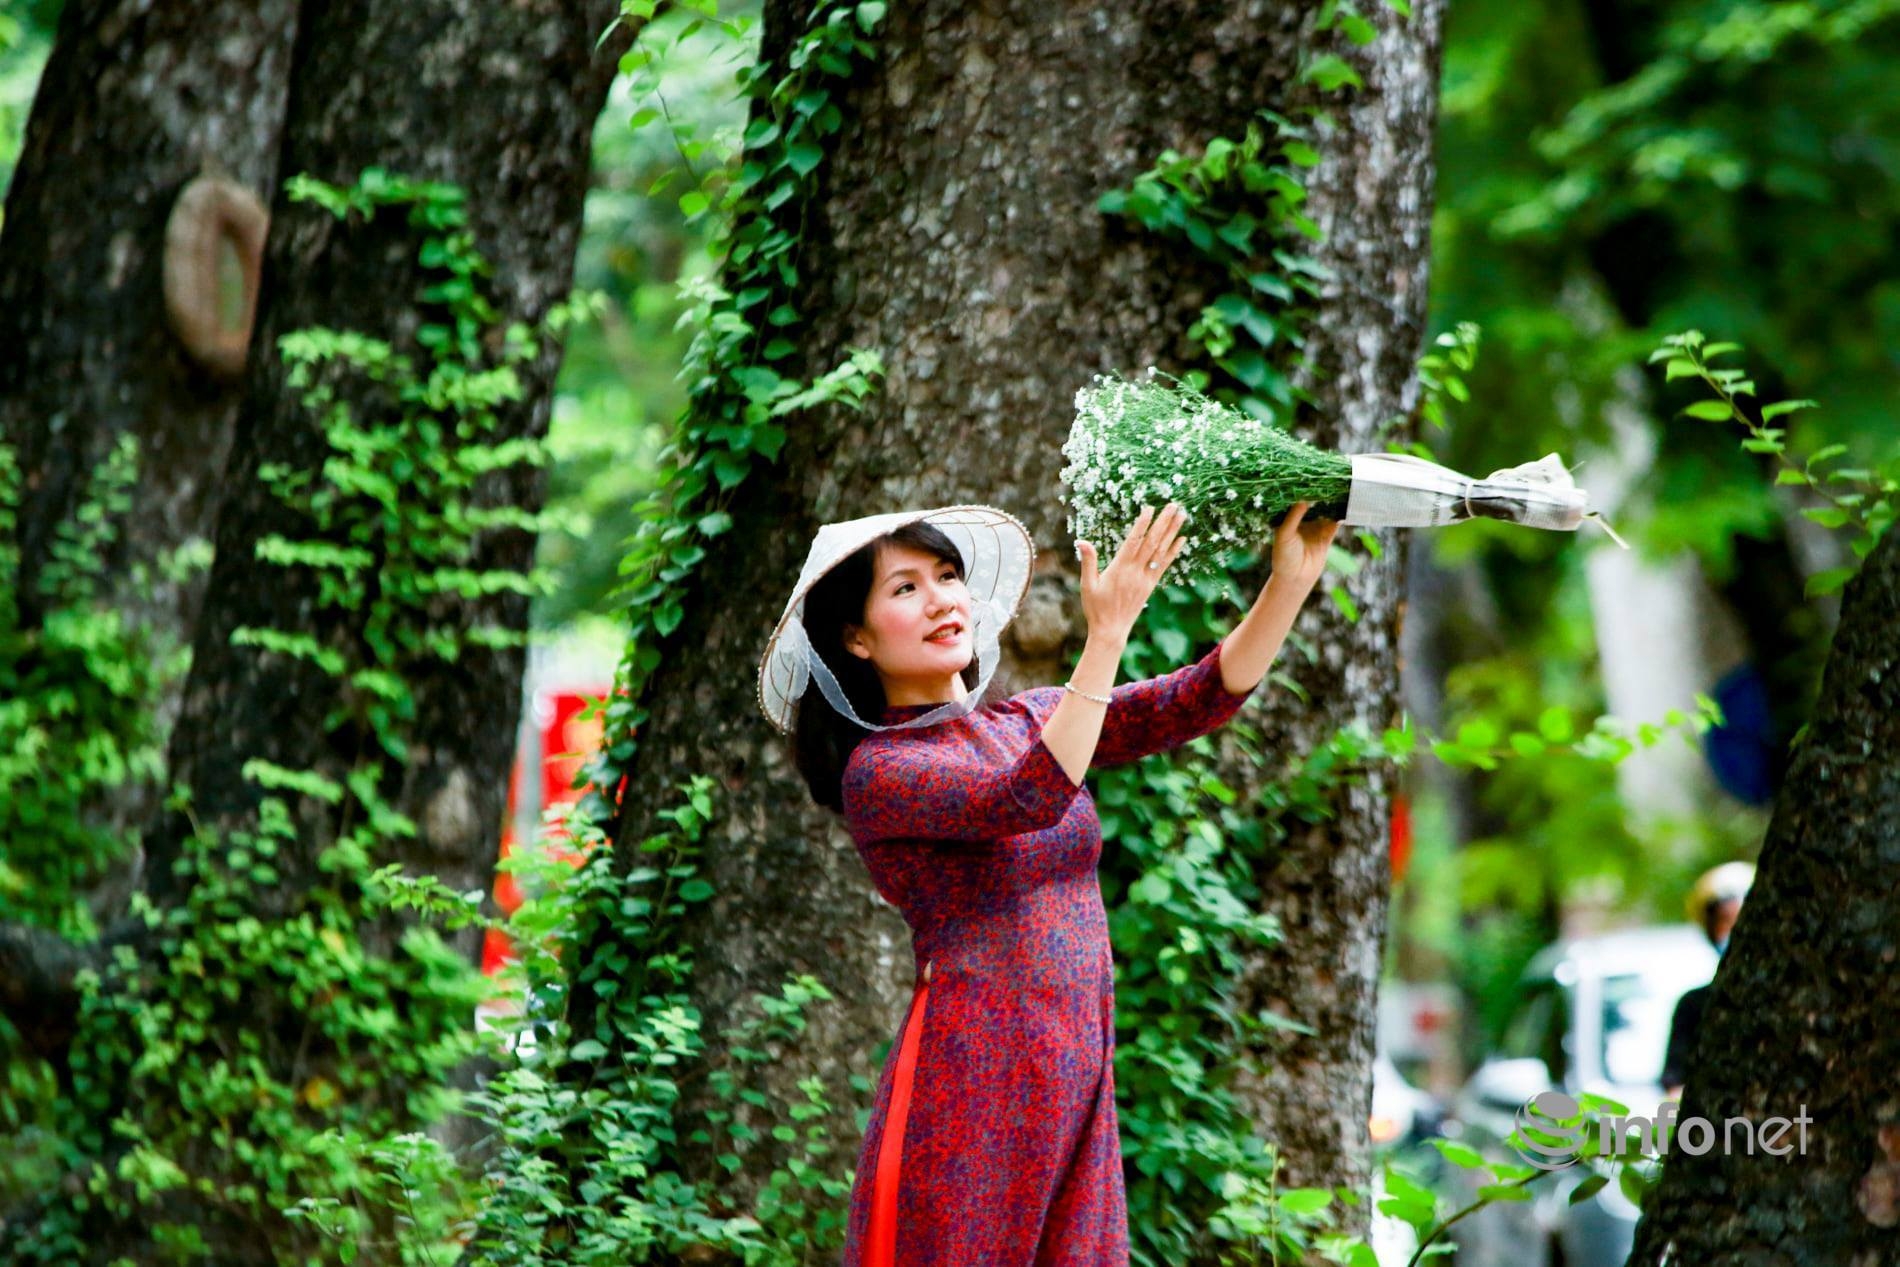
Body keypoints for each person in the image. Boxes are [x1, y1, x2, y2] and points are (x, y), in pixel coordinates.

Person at [756, 499, 1338, 1267]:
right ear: (856, 638)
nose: (941, 599)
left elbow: (1194, 698)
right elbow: (1027, 798)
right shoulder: (882, 773)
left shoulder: (1027, 718)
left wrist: (1288, 583)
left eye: (948, 575)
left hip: (1075, 1064)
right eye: (905, 588)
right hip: (974, 1080)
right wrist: (1107, 635)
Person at [1660, 861, 1755, 1099]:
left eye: (1742, 920)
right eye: (1726, 921)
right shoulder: (1694, 1006)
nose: (1735, 931)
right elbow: (1675, 1087)